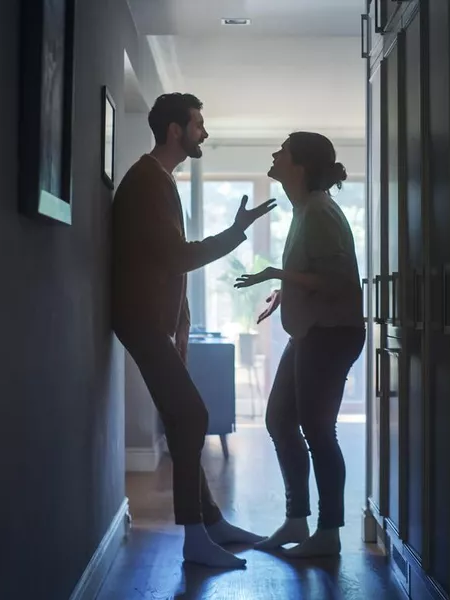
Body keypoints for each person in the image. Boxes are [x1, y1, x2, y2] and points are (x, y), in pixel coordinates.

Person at [111, 93, 275, 568]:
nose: (205, 132)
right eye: (199, 124)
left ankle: (211, 524)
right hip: (139, 321)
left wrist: (181, 324)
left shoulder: (160, 180)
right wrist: (236, 230)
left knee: (185, 418)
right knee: (194, 416)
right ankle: (196, 539)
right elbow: (178, 257)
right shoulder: (146, 181)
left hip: (152, 323)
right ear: (175, 131)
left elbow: (167, 262)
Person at [234, 132, 365, 558]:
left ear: (300, 165)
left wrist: (278, 275)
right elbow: (316, 275)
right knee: (279, 420)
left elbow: (339, 282)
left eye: (283, 150)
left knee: (317, 431)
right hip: (313, 332)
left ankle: (328, 533)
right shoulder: (305, 209)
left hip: (331, 334)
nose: (274, 154)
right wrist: (286, 292)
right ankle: (297, 520)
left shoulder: (320, 212)